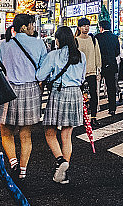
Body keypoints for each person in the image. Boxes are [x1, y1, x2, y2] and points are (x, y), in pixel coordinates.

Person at [0, 13, 48, 181]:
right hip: (30, 89)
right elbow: (42, 70)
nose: (34, 27)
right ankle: (23, 170)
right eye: (32, 24)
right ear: (24, 27)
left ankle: (13, 163)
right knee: (26, 135)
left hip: (8, 89)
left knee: (6, 132)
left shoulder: (4, 44)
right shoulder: (39, 43)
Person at [37, 26, 86, 184]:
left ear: (58, 40)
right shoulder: (81, 56)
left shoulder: (54, 55)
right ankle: (63, 173)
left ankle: (60, 161)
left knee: (49, 131)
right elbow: (82, 77)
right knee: (66, 136)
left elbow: (40, 75)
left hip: (59, 93)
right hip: (75, 94)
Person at [74, 18, 102, 124]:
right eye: (83, 26)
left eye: (87, 26)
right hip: (78, 73)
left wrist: (98, 69)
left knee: (93, 95)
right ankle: (80, 117)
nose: (86, 28)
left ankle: (93, 117)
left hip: (92, 72)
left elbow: (97, 55)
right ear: (79, 27)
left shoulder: (93, 39)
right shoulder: (76, 40)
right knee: (79, 95)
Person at [95, 20, 120, 116]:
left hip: (100, 64)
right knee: (111, 87)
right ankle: (112, 108)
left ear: (101, 27)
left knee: (97, 87)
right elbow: (117, 52)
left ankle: (96, 106)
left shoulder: (97, 37)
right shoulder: (114, 37)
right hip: (111, 64)